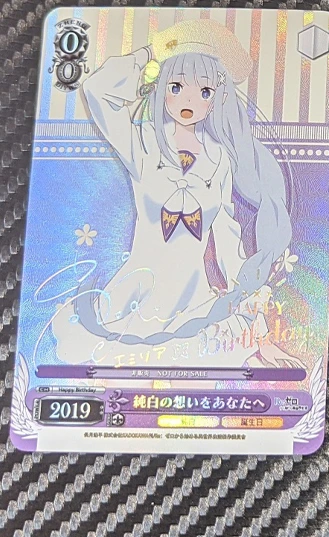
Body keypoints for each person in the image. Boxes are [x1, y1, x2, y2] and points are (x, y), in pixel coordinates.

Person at [50, 24, 298, 368]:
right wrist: (149, 53)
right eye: (177, 87)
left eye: (204, 91)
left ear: (217, 98)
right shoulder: (143, 144)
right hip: (138, 291)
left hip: (194, 297)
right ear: (161, 86)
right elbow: (96, 90)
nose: (189, 101)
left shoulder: (220, 158)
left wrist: (246, 297)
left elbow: (225, 232)